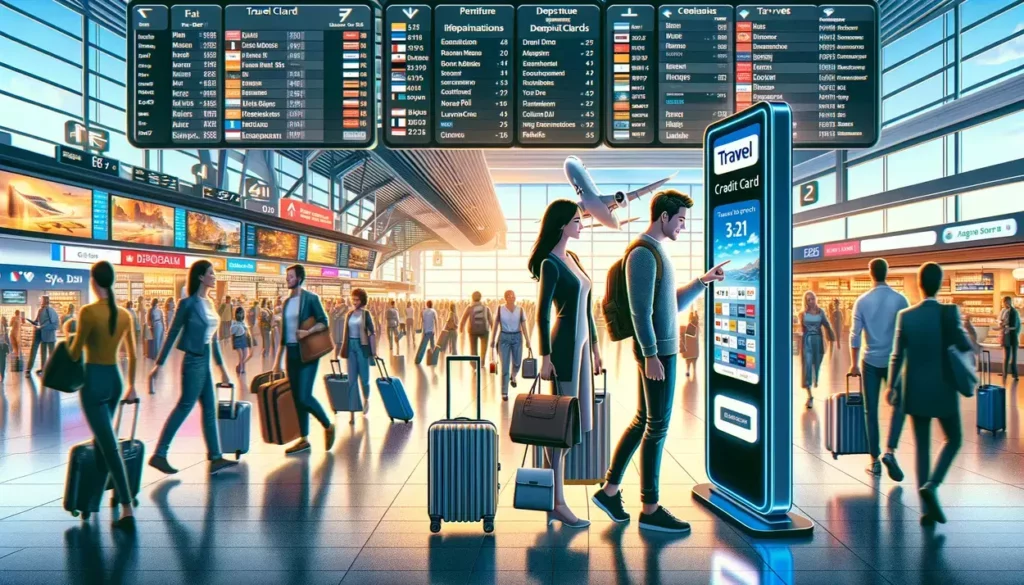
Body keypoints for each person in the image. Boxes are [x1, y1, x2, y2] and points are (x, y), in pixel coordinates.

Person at [593, 190, 725, 533]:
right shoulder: (642, 254)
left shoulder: (657, 253)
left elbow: (669, 304)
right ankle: (650, 508)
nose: (683, 226)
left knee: (642, 421)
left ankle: (610, 490)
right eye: (680, 219)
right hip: (657, 353)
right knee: (657, 426)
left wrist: (703, 282)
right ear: (663, 217)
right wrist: (651, 354)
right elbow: (640, 311)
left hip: (661, 350)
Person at [528, 199, 603, 529]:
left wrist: (597, 348)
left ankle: (552, 496)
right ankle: (556, 501)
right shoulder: (550, 264)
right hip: (563, 348)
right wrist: (544, 356)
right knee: (562, 427)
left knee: (579, 424)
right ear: (561, 224)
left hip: (583, 347)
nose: (582, 224)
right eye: (576, 220)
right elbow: (542, 313)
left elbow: (588, 308)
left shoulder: (572, 258)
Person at [888, 262, 971, 525]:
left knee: (921, 447)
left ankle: (926, 510)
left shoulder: (906, 316)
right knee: (954, 438)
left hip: (915, 389)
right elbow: (965, 345)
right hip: (945, 388)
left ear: (919, 284)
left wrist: (891, 386)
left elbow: (896, 355)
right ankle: (933, 484)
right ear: (941, 283)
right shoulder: (949, 313)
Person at [148, 260, 238, 476]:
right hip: (193, 360)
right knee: (185, 405)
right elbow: (172, 333)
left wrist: (223, 369)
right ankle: (159, 454)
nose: (214, 276)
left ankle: (215, 457)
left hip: (205, 357)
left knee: (209, 407)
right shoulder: (187, 303)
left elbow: (213, 339)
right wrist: (158, 364)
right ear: (200, 277)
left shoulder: (210, 303)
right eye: (211, 273)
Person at [67, 261, 138, 530]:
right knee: (102, 442)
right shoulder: (124, 315)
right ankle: (92, 499)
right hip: (115, 381)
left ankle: (127, 505)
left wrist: (68, 333)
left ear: (94, 282)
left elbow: (75, 354)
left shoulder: (87, 313)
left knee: (108, 444)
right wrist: (132, 385)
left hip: (93, 382)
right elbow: (132, 353)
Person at [848, 258, 909, 480]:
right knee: (899, 406)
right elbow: (906, 334)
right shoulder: (901, 299)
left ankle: (874, 460)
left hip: (870, 361)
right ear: (887, 272)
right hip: (894, 361)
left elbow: (854, 335)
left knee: (870, 411)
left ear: (870, 273)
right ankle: (890, 451)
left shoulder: (862, 301)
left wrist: (854, 363)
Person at [273, 265, 336, 455]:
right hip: (291, 353)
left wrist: (307, 332)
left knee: (303, 395)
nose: (287, 279)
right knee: (296, 398)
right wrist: (277, 361)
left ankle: (327, 425)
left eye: (291, 276)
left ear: (299, 278)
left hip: (307, 353)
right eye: (287, 276)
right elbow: (284, 335)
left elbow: (323, 322)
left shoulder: (311, 299)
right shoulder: (286, 303)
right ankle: (304, 439)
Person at [339, 288, 377, 415]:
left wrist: (373, 351)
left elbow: (372, 332)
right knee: (352, 379)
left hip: (362, 347)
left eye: (357, 299)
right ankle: (352, 409)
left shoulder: (366, 314)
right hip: (351, 347)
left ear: (362, 300)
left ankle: (366, 399)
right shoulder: (349, 314)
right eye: (353, 299)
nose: (354, 302)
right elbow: (346, 333)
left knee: (364, 379)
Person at [489, 290, 532, 400]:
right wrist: (493, 339)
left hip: (517, 337)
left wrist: (528, 340)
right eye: (509, 296)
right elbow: (495, 326)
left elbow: (524, 326)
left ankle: (513, 376)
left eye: (513, 295)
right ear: (505, 298)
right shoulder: (500, 310)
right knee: (505, 366)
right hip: (504, 338)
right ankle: (504, 392)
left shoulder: (520, 310)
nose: (511, 297)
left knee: (517, 362)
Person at [800, 291, 835, 408]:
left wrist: (832, 338)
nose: (811, 302)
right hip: (807, 342)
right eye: (808, 300)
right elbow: (802, 329)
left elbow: (827, 325)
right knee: (808, 366)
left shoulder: (821, 312)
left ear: (816, 299)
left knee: (817, 365)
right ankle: (809, 396)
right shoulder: (802, 314)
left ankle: (816, 379)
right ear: (806, 301)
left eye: (812, 299)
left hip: (819, 341)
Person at [26, 297, 59, 376]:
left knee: (51, 353)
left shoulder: (49, 310)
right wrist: (28, 320)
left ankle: (53, 369)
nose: (40, 301)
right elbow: (36, 322)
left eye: (41, 300)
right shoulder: (41, 310)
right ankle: (43, 369)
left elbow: (50, 321)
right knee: (43, 352)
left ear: (45, 301)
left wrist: (40, 327)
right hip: (43, 333)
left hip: (49, 334)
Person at [460, 291, 493, 360]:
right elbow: (491, 320)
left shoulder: (470, 307)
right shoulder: (485, 308)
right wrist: (493, 330)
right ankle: (482, 362)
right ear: (480, 298)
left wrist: (461, 329)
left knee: (473, 349)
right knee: (483, 349)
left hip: (472, 331)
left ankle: (474, 363)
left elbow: (463, 319)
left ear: (472, 298)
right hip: (484, 330)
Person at [999, 295, 1020, 382]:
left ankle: (1012, 375)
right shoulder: (1004, 311)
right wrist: (1001, 324)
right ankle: (1007, 375)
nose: (1003, 304)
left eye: (1003, 302)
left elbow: (1014, 326)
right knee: (1008, 357)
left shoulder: (1014, 312)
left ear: (1007, 302)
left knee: (1010, 357)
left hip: (1011, 336)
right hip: (1008, 336)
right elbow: (1000, 320)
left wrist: (1006, 327)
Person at [230, 307, 253, 375]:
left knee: (245, 355)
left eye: (241, 313)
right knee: (241, 355)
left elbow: (247, 332)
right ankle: (242, 369)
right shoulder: (234, 322)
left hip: (244, 339)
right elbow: (232, 332)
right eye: (239, 313)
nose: (240, 315)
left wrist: (250, 340)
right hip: (237, 340)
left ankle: (240, 367)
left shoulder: (244, 322)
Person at [0, 315, 9, 383]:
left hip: (2, 346)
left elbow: (5, 337)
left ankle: (2, 376)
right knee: (3, 362)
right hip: (2, 346)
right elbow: (6, 338)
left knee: (2, 362)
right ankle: (2, 376)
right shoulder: (4, 326)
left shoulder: (3, 327)